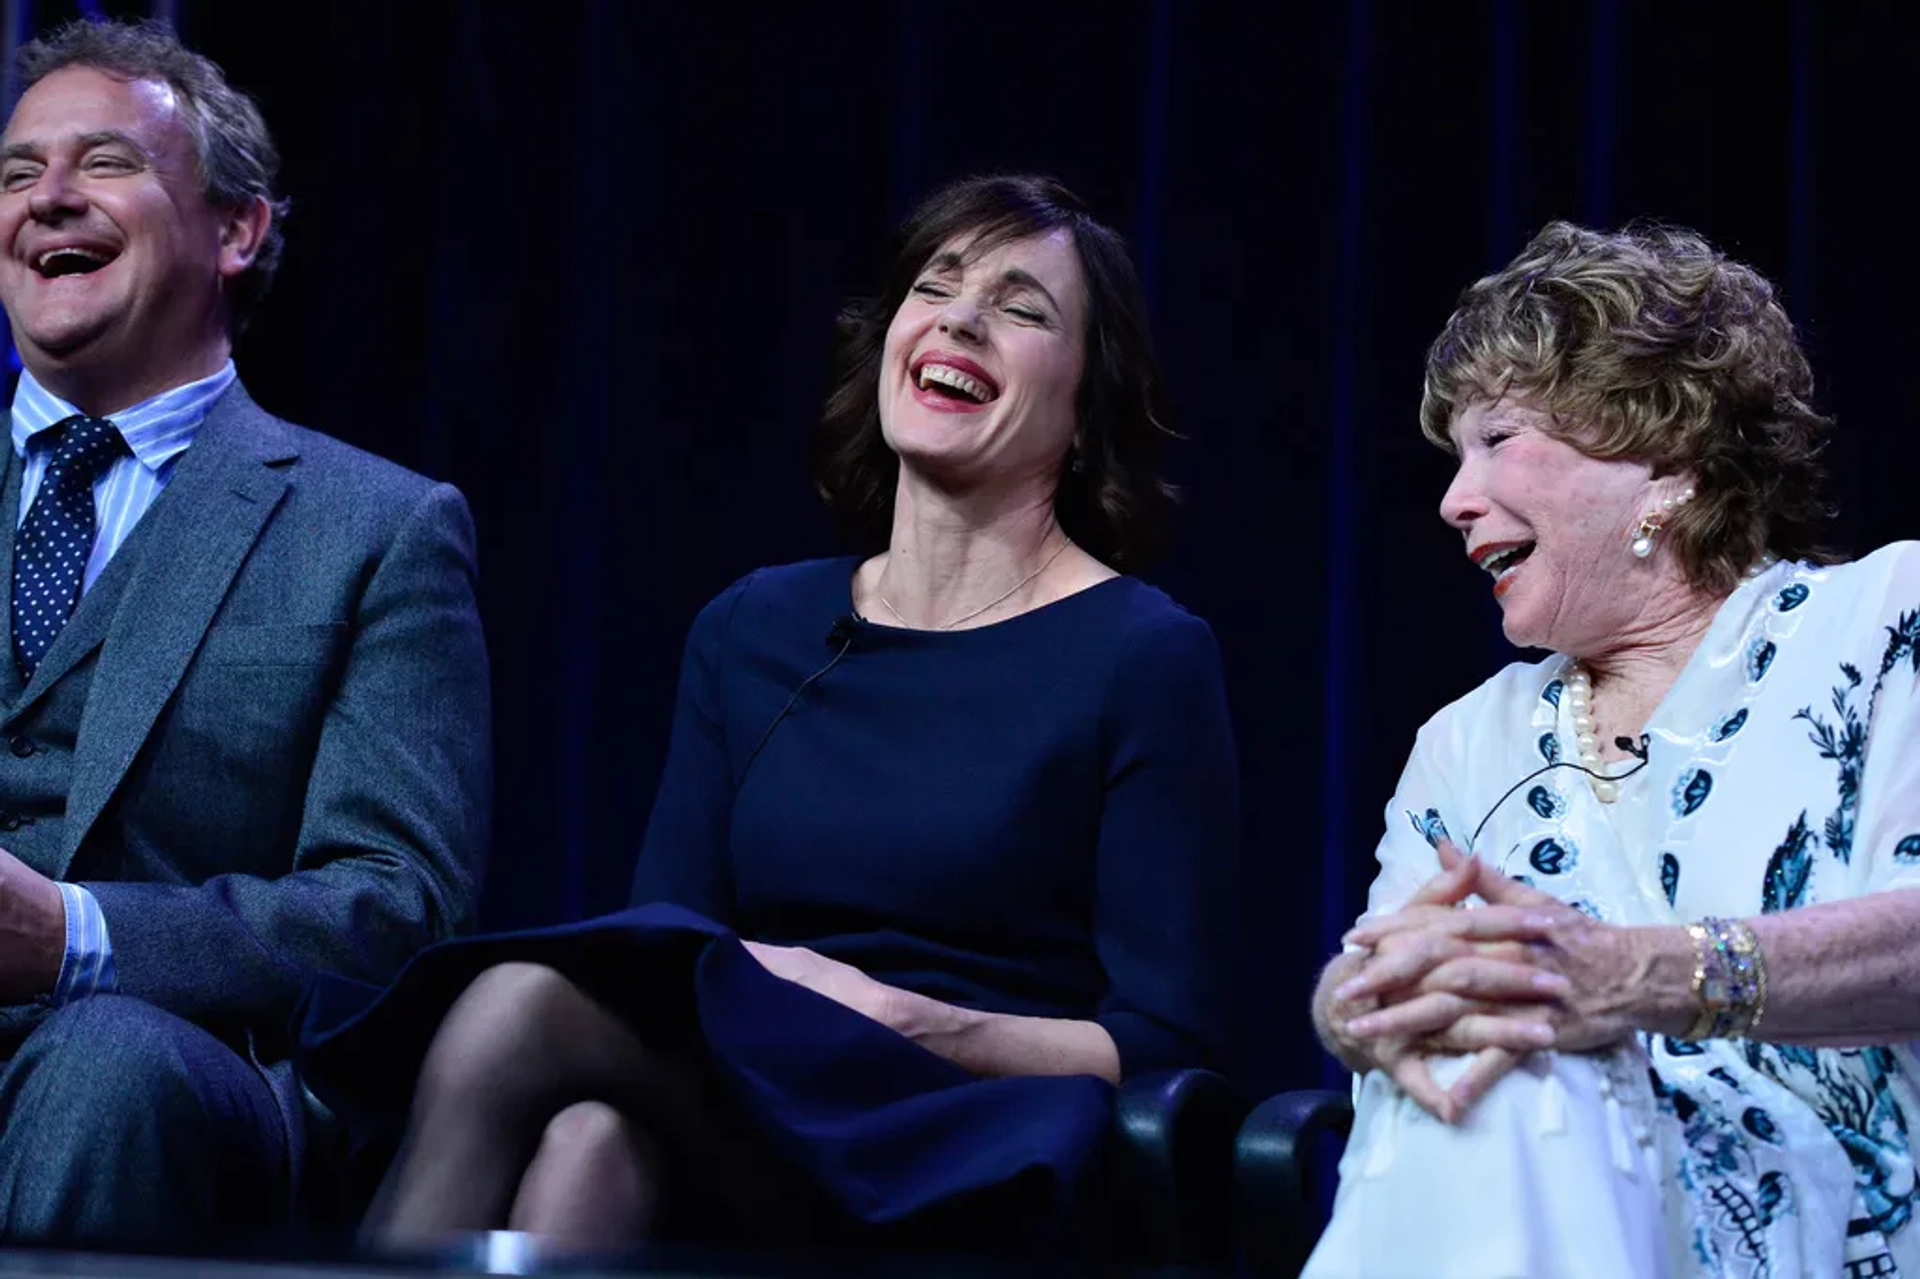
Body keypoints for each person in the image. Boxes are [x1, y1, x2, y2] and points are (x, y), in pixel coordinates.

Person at [296, 173, 1238, 1258]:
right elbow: (659, 952)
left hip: (962, 1131)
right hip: (754, 1103)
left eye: (1022, 308)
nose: (962, 318)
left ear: (1085, 410)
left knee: (520, 1014)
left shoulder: (1143, 653)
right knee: (591, 1136)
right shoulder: (754, 626)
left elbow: (1167, 1039)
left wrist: (903, 1018)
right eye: (936, 286)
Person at [1305, 220, 1920, 1278]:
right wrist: (1353, 1009)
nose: (1454, 499)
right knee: (1498, 1074)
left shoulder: (1880, 620)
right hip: (1525, 1196)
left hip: (1848, 1212)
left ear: (1664, 451)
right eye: (1456, 456)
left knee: (1524, 1070)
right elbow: (1389, 989)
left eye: (1497, 439)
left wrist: (1629, 976)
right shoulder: (1466, 742)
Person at [0, 18, 490, 1247]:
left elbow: (395, 912)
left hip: (163, 1063)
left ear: (237, 229)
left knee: (107, 1063)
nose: (48, 195)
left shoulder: (377, 525)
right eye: (16, 173)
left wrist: (76, 940)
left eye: (104, 162)